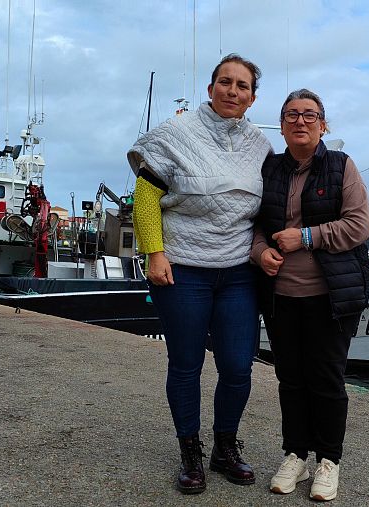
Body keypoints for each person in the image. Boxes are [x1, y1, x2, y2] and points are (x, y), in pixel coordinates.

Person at [126, 53, 272, 495]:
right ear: (210, 89)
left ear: (252, 97)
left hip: (238, 272)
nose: (232, 91)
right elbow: (145, 195)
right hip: (183, 268)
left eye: (242, 85)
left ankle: (224, 446)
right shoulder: (176, 133)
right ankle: (190, 450)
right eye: (224, 82)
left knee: (237, 366)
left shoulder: (260, 146)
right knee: (186, 364)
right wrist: (154, 252)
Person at [251, 89, 369, 501]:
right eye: (291, 115)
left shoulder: (341, 166)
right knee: (290, 379)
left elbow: (359, 226)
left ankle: (329, 460)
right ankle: (295, 454)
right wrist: (260, 251)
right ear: (281, 125)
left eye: (309, 115)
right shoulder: (270, 169)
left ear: (323, 124)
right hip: (280, 295)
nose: (300, 121)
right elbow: (255, 225)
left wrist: (306, 237)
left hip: (329, 295)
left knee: (326, 379)